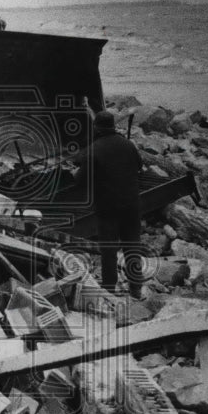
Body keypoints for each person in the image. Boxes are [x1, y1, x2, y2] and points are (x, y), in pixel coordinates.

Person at [74, 110, 146, 299]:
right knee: (132, 246)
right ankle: (136, 289)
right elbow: (139, 166)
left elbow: (79, 180)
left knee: (109, 250)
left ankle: (109, 290)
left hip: (108, 208)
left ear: (96, 128)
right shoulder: (128, 144)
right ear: (113, 126)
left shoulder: (93, 149)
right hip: (132, 206)